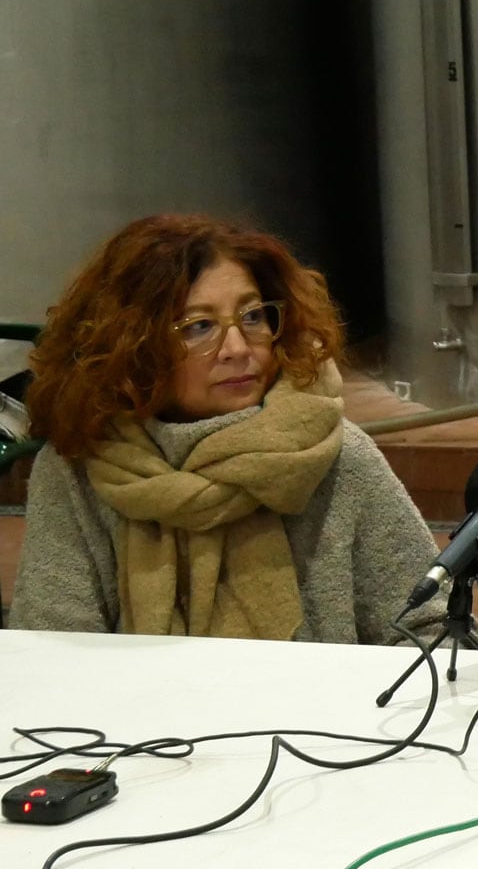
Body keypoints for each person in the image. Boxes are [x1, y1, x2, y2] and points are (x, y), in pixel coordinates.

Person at [6, 214, 446, 643]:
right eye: (199, 327)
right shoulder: (78, 469)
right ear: (132, 348)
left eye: (252, 317)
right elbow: (49, 650)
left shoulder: (336, 454)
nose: (237, 348)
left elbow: (435, 634)